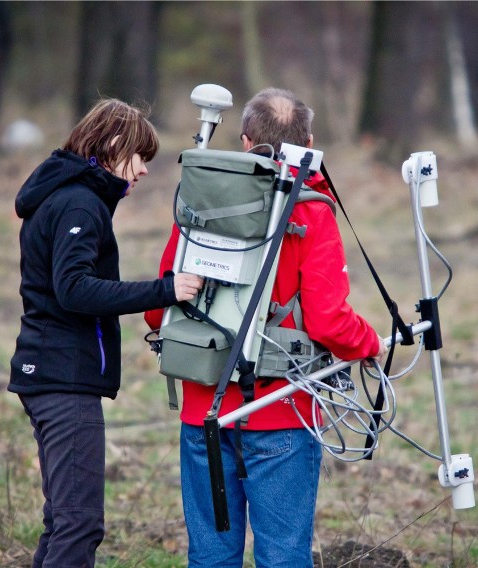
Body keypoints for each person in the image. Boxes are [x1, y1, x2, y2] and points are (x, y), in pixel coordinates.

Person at [145, 87, 386, 567]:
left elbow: (160, 310)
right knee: (282, 557)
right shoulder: (312, 211)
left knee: (211, 557)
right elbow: (329, 320)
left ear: (243, 139)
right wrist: (371, 342)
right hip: (281, 412)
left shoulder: (200, 202)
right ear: (310, 142)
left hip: (202, 414)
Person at [9, 98, 204, 567]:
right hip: (64, 380)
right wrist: (166, 290)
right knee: (79, 525)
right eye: (140, 157)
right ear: (114, 144)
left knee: (62, 520)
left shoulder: (65, 193)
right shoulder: (80, 201)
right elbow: (73, 289)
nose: (142, 172)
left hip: (48, 374)